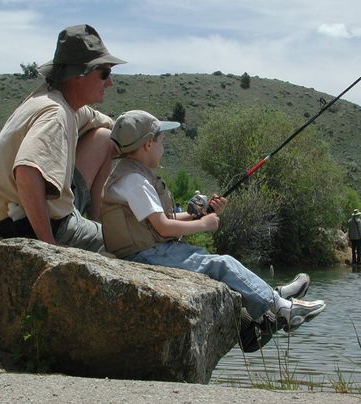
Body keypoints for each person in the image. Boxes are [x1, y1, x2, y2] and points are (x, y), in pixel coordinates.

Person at [100, 110, 326, 334]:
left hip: (147, 250)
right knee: (221, 264)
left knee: (216, 261)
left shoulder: (131, 175)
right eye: (162, 140)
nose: (164, 146)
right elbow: (163, 227)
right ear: (148, 145)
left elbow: (161, 220)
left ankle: (274, 296)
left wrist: (200, 213)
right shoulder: (135, 181)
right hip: (143, 256)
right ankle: (281, 308)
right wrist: (204, 225)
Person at [0, 24, 125, 252]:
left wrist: (140, 134)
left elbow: (106, 125)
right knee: (126, 245)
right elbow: (27, 171)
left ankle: (94, 222)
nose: (110, 83)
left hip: (12, 219)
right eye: (104, 74)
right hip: (31, 224)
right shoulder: (55, 114)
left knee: (105, 138)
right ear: (80, 74)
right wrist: (48, 247)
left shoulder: (53, 100)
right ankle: (89, 232)